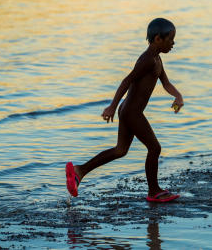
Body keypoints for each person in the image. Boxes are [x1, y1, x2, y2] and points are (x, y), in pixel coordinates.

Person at [66, 18, 183, 202]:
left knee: (120, 150)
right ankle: (154, 191)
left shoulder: (156, 59)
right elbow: (127, 80)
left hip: (129, 110)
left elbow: (166, 83)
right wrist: (112, 105)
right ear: (158, 39)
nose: (173, 43)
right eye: (171, 39)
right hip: (131, 112)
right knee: (154, 148)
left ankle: (79, 171)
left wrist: (178, 96)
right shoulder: (147, 60)